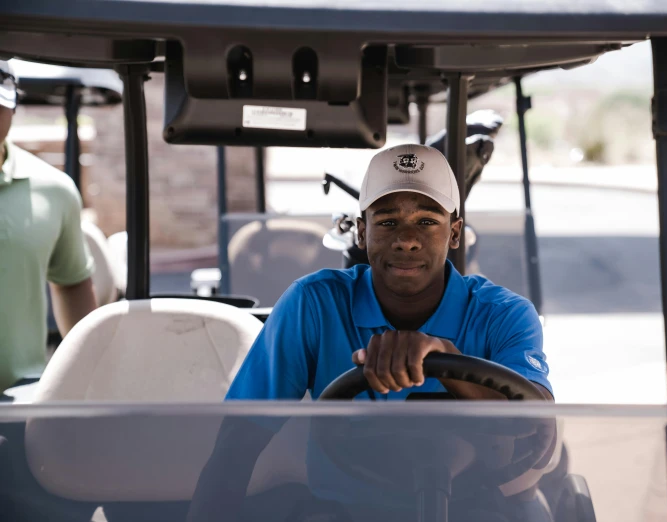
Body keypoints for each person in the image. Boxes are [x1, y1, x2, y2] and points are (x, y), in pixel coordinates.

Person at [189, 143, 556, 522]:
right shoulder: (313, 304)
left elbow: (537, 421)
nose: (406, 239)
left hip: (472, 509)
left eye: (428, 221)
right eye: (387, 222)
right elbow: (237, 444)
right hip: (346, 511)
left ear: (455, 232)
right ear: (362, 233)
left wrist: (449, 361)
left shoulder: (504, 314)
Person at [0, 60, 97, 394]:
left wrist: (85, 384)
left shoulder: (54, 190)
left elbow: (72, 284)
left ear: (12, 108)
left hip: (17, 407)